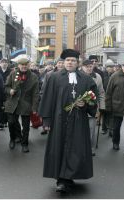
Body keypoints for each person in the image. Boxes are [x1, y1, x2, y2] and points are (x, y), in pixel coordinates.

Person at [38, 49, 98, 193]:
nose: (70, 63)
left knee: (75, 149)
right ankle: (61, 179)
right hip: (60, 120)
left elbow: (93, 98)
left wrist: (87, 104)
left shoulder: (86, 79)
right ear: (63, 62)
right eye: (67, 60)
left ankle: (69, 176)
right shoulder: (54, 77)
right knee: (60, 147)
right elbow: (47, 99)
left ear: (77, 63)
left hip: (78, 121)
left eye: (73, 61)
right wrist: (46, 121)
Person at [4, 57, 39, 153]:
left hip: (26, 103)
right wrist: (9, 90)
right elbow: (6, 86)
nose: (23, 66)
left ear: (28, 65)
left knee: (26, 126)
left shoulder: (33, 76)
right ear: (18, 65)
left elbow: (35, 93)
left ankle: (25, 143)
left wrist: (34, 107)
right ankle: (12, 138)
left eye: (25, 65)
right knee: (11, 123)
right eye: (21, 65)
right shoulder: (13, 74)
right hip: (13, 102)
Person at [105, 58, 124, 157]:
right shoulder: (114, 76)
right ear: (121, 66)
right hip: (116, 107)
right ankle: (115, 142)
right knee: (116, 127)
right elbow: (108, 93)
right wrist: (108, 107)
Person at [81, 59, 105, 156]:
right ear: (82, 67)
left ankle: (90, 148)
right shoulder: (78, 76)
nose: (89, 68)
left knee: (92, 129)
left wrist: (102, 106)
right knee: (80, 129)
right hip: (80, 107)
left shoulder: (98, 77)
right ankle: (80, 147)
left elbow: (101, 92)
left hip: (93, 106)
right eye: (87, 66)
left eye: (90, 66)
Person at [0, 58, 12, 129]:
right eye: (2, 62)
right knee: (0, 106)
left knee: (6, 107)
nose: (4, 63)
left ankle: (5, 121)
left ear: (7, 64)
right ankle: (1, 122)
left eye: (5, 62)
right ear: (0, 64)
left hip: (7, 91)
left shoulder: (11, 71)